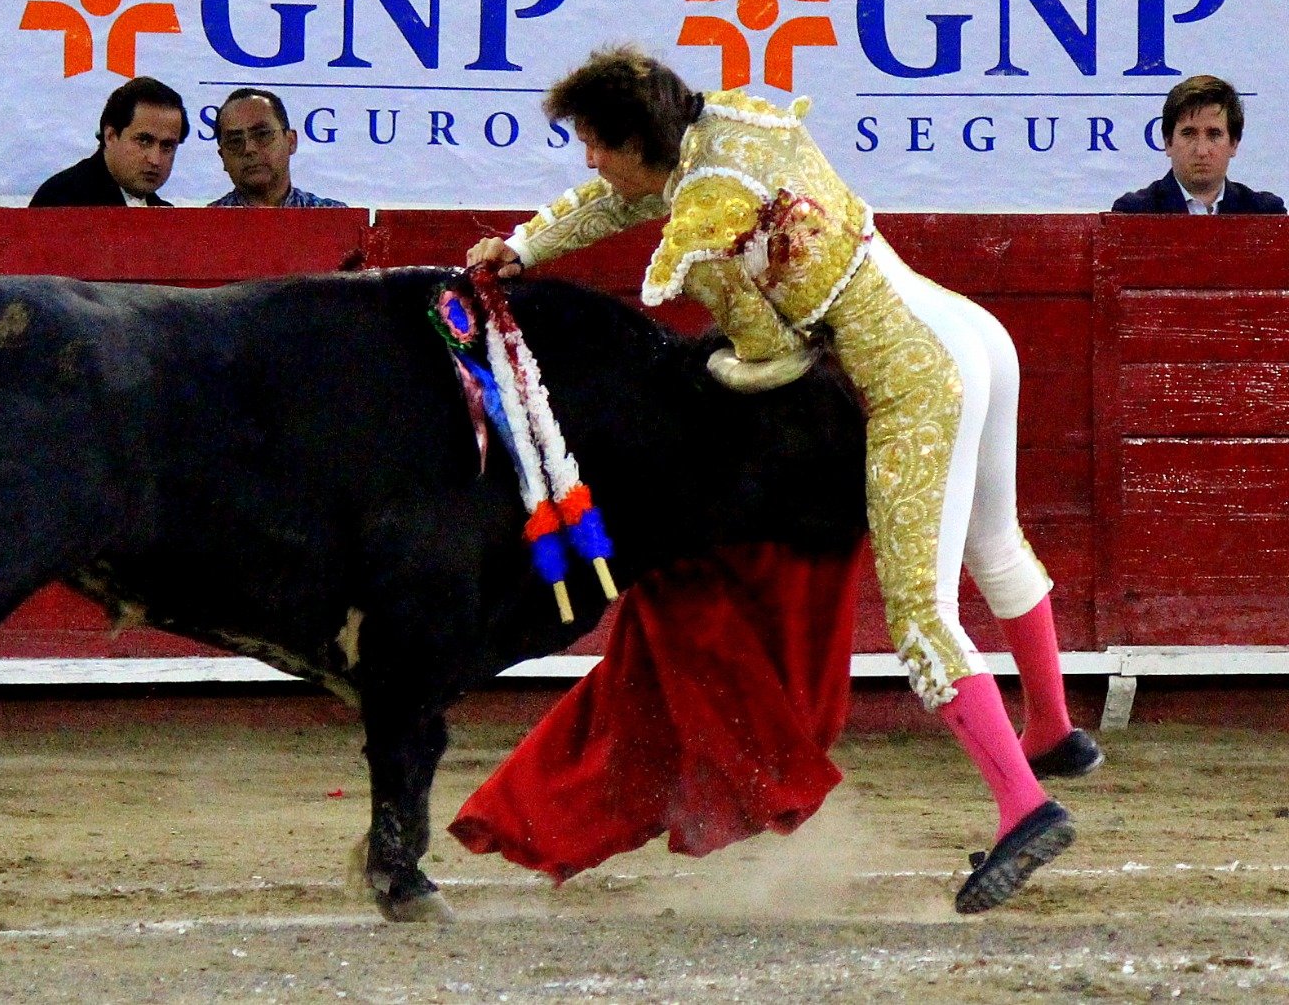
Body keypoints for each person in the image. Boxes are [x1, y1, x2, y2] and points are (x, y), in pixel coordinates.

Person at [455, 46, 1103, 914]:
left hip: (913, 375)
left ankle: (1025, 804)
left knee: (921, 614)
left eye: (597, 142)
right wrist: (527, 244)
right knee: (995, 542)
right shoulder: (733, 119)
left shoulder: (705, 228)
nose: (589, 159)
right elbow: (627, 197)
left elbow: (771, 357)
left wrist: (713, 369)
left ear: (638, 140)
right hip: (965, 329)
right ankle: (1052, 728)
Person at [1112, 75, 1284, 215]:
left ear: (1234, 143)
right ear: (1168, 142)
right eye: (1188, 134)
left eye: (1214, 134)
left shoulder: (1265, 213)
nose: (1201, 151)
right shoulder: (1134, 212)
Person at [30, 77, 189, 207]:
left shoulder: (166, 215)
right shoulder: (62, 199)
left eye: (167, 146)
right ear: (110, 136)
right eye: (144, 141)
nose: (155, 160)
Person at [208, 88, 346, 207]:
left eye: (262, 134)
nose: (249, 149)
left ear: (291, 141)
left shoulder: (335, 217)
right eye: (235, 141)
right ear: (222, 157)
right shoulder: (205, 223)